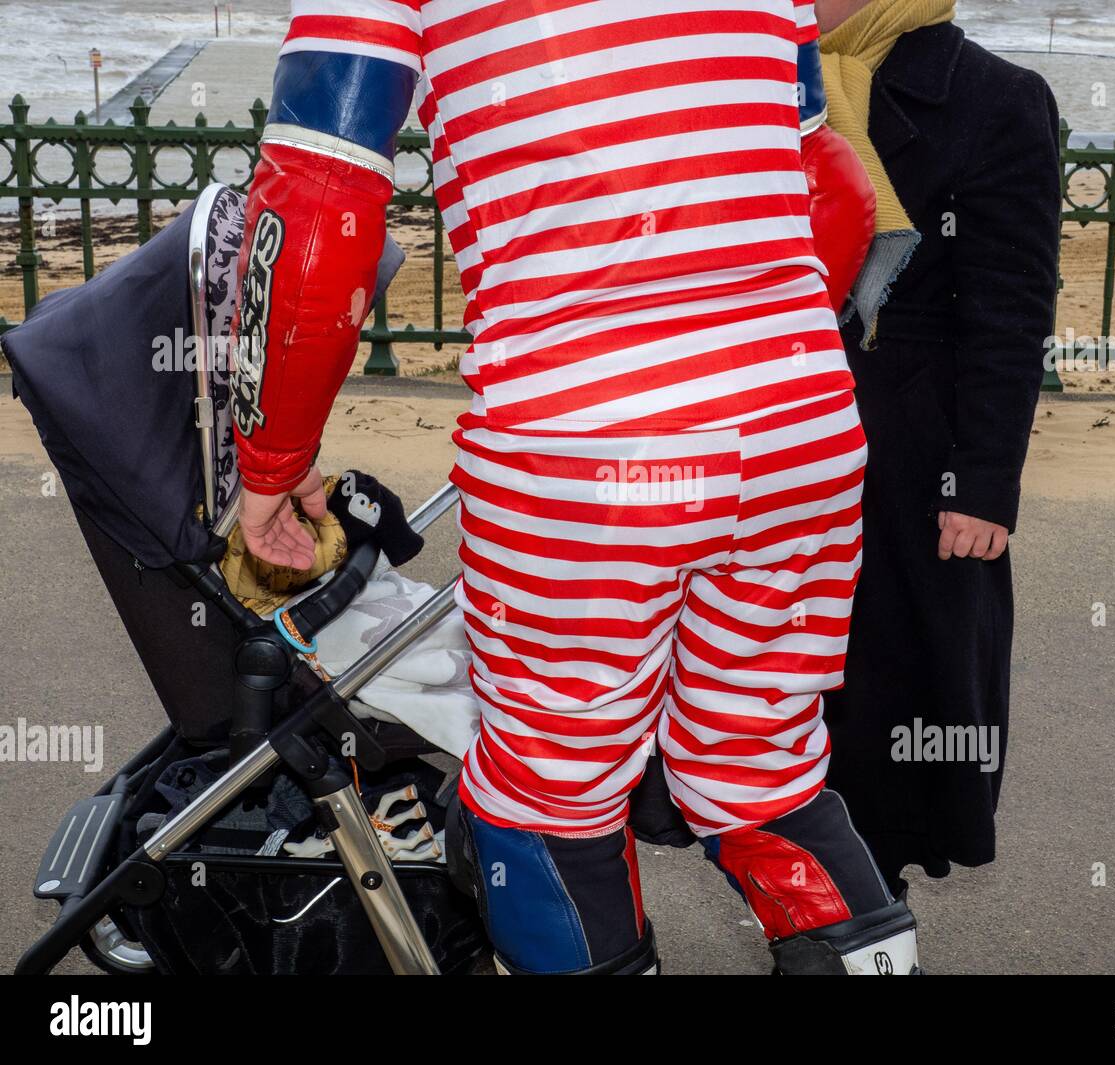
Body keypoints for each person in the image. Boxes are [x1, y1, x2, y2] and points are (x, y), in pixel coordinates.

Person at [232, 0, 918, 975]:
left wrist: (272, 462)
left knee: (546, 798)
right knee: (759, 768)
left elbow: (317, 206)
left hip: (582, 456)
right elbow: (829, 188)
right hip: (794, 430)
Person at [813, 0, 1061, 894]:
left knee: (885, 708)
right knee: (761, 703)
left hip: (911, 463)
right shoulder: (752, 76)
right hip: (765, 439)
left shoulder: (996, 97)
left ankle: (864, 922)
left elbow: (1008, 310)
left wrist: (984, 484)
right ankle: (807, 903)